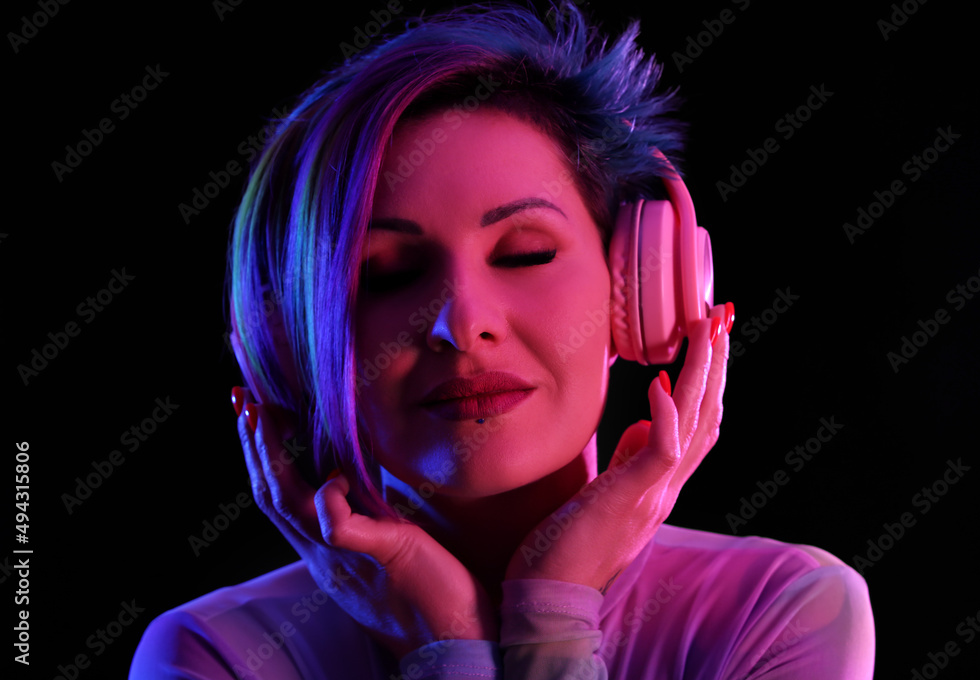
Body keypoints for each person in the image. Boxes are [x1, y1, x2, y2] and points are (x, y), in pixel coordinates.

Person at [130, 3, 875, 678]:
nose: (463, 324)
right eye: (387, 274)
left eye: (525, 253)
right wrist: (447, 643)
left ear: (641, 288)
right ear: (294, 345)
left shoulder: (781, 613)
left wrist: (548, 614)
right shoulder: (213, 657)